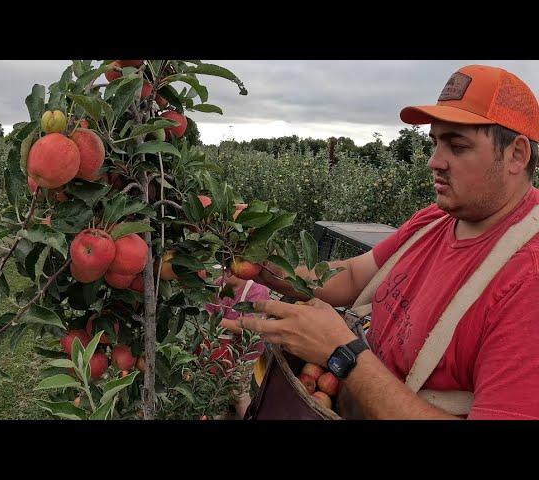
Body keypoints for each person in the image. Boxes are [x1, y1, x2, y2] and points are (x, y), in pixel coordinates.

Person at [221, 64, 539, 420]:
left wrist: (342, 355)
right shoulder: (436, 219)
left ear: (516, 155)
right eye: (434, 143)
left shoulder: (527, 278)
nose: (435, 162)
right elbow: (354, 277)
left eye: (458, 146)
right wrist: (259, 265)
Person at [204, 268, 271, 418]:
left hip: (244, 355)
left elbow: (248, 327)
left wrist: (217, 320)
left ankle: (244, 414)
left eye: (233, 265)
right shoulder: (219, 285)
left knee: (239, 393)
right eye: (225, 264)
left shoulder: (257, 292)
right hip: (220, 351)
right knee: (217, 388)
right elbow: (207, 311)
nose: (227, 270)